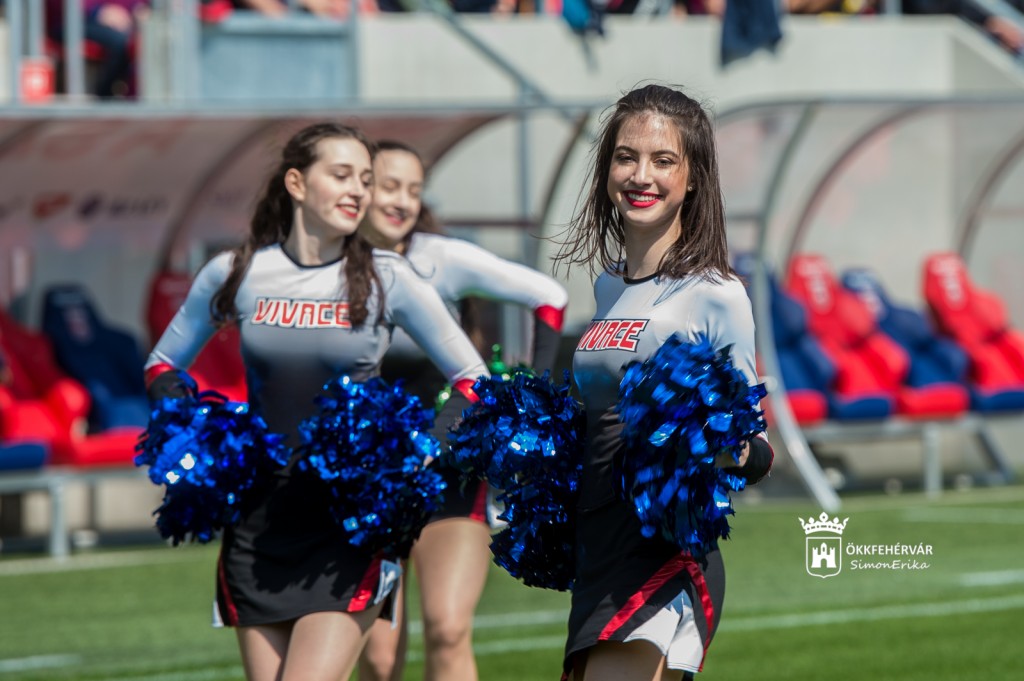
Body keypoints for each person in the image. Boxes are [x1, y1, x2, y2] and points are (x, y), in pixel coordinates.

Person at [144, 122, 489, 681]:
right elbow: (162, 364)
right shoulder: (238, 272)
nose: (358, 191)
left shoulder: (388, 277)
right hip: (258, 525)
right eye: (342, 175)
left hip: (350, 523)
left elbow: (474, 380)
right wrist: (193, 436)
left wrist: (422, 453)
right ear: (297, 183)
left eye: (365, 179)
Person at [553, 84, 774, 681]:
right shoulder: (607, 287)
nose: (640, 175)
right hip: (598, 545)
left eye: (663, 160)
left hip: (660, 551)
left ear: (693, 177)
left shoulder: (716, 293)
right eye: (626, 157)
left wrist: (699, 440)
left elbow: (754, 445)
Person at [356, 139, 569, 681]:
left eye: (413, 189)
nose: (402, 201)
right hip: (370, 478)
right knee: (377, 657)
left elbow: (548, 296)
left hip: (449, 470)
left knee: (448, 629)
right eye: (389, 186)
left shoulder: (440, 258)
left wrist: (534, 398)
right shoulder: (335, 266)